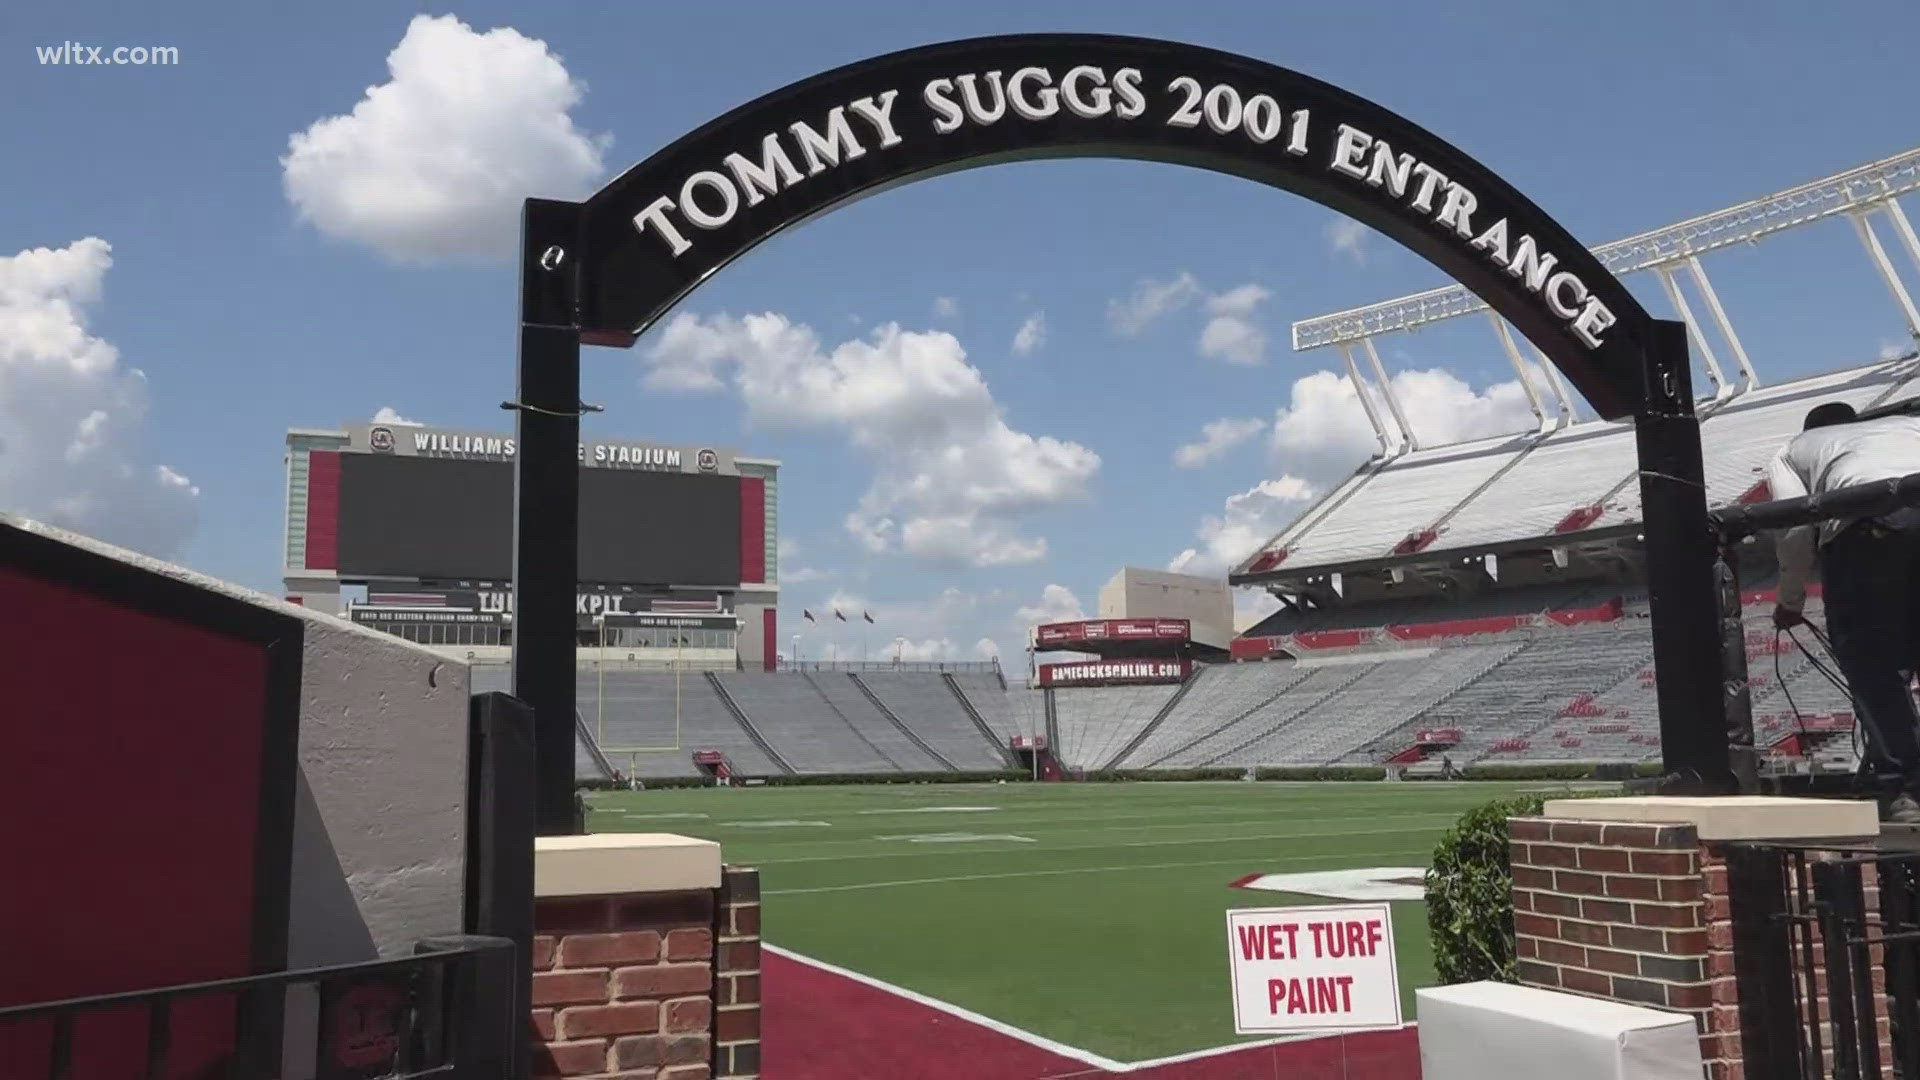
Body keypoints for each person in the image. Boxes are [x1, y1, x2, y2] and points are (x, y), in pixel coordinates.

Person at [1767, 401, 1920, 821]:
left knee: (1875, 667)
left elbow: (1794, 527)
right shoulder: (1907, 425)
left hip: (1870, 531)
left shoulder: (1793, 448)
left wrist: (1791, 601)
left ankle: (1903, 787)